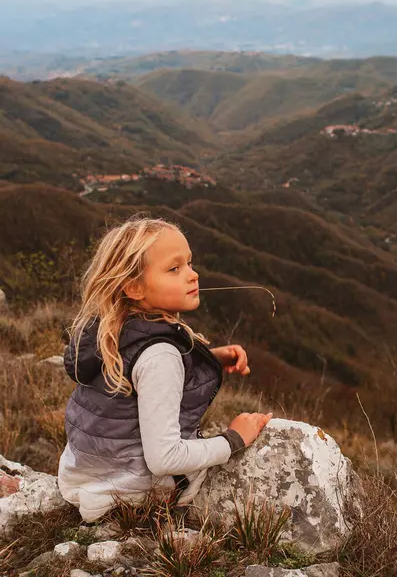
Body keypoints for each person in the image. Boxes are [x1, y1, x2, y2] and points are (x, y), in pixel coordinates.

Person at [58, 215, 273, 522]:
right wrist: (234, 440)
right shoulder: (161, 357)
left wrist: (209, 357)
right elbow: (165, 458)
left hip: (86, 475)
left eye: (189, 263)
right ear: (134, 288)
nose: (193, 275)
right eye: (175, 269)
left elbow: (136, 377)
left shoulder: (112, 329)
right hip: (130, 493)